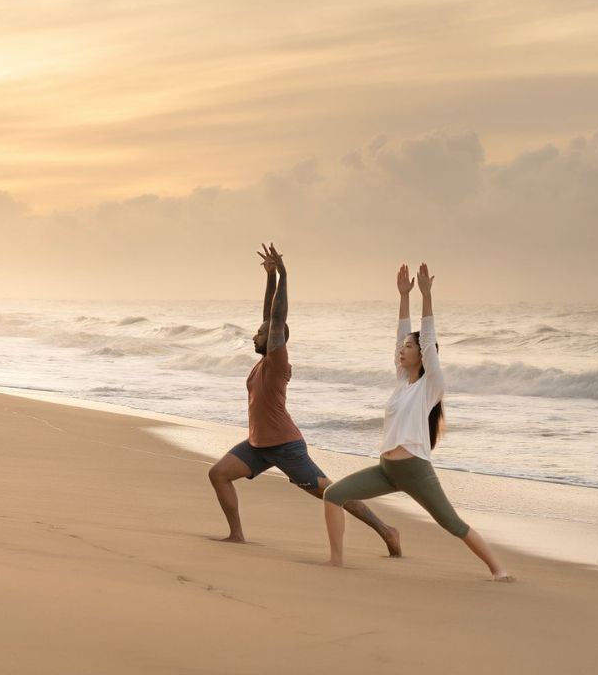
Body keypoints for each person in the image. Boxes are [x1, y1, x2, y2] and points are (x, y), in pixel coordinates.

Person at [207, 243, 400, 555]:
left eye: (261, 334)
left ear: (276, 339)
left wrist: (284, 274)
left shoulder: (276, 361)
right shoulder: (263, 362)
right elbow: (269, 315)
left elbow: (277, 316)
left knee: (332, 493)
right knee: (218, 474)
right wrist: (270, 276)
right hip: (258, 445)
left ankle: (387, 530)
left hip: (285, 447)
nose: (255, 335)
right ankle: (237, 534)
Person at [322, 263, 512, 579]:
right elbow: (401, 334)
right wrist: (403, 296)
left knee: (453, 524)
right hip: (386, 470)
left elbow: (427, 338)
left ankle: (499, 570)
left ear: (423, 355)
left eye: (409, 347)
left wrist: (426, 296)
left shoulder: (430, 386)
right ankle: (336, 561)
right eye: (403, 347)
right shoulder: (402, 382)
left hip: (415, 471)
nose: (402, 350)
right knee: (333, 495)